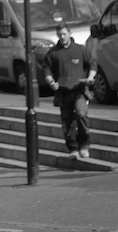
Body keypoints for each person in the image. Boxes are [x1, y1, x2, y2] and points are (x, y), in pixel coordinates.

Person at [42, 21, 97, 158]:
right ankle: (73, 148)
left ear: (70, 34)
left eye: (64, 34)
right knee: (67, 121)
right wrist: (51, 82)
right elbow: (46, 69)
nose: (62, 37)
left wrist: (90, 77)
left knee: (81, 114)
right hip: (63, 91)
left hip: (79, 90)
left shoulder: (80, 49)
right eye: (59, 35)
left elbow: (92, 64)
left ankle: (84, 145)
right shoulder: (53, 53)